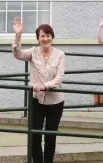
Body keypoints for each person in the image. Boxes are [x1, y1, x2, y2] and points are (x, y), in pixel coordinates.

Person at [11, 16, 65, 163]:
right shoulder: (33, 52)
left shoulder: (60, 54)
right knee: (35, 136)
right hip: (36, 101)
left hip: (55, 102)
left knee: (50, 136)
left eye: (48, 35)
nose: (45, 39)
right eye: (42, 36)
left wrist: (45, 86)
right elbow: (17, 54)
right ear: (38, 38)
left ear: (52, 37)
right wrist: (18, 34)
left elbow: (59, 78)